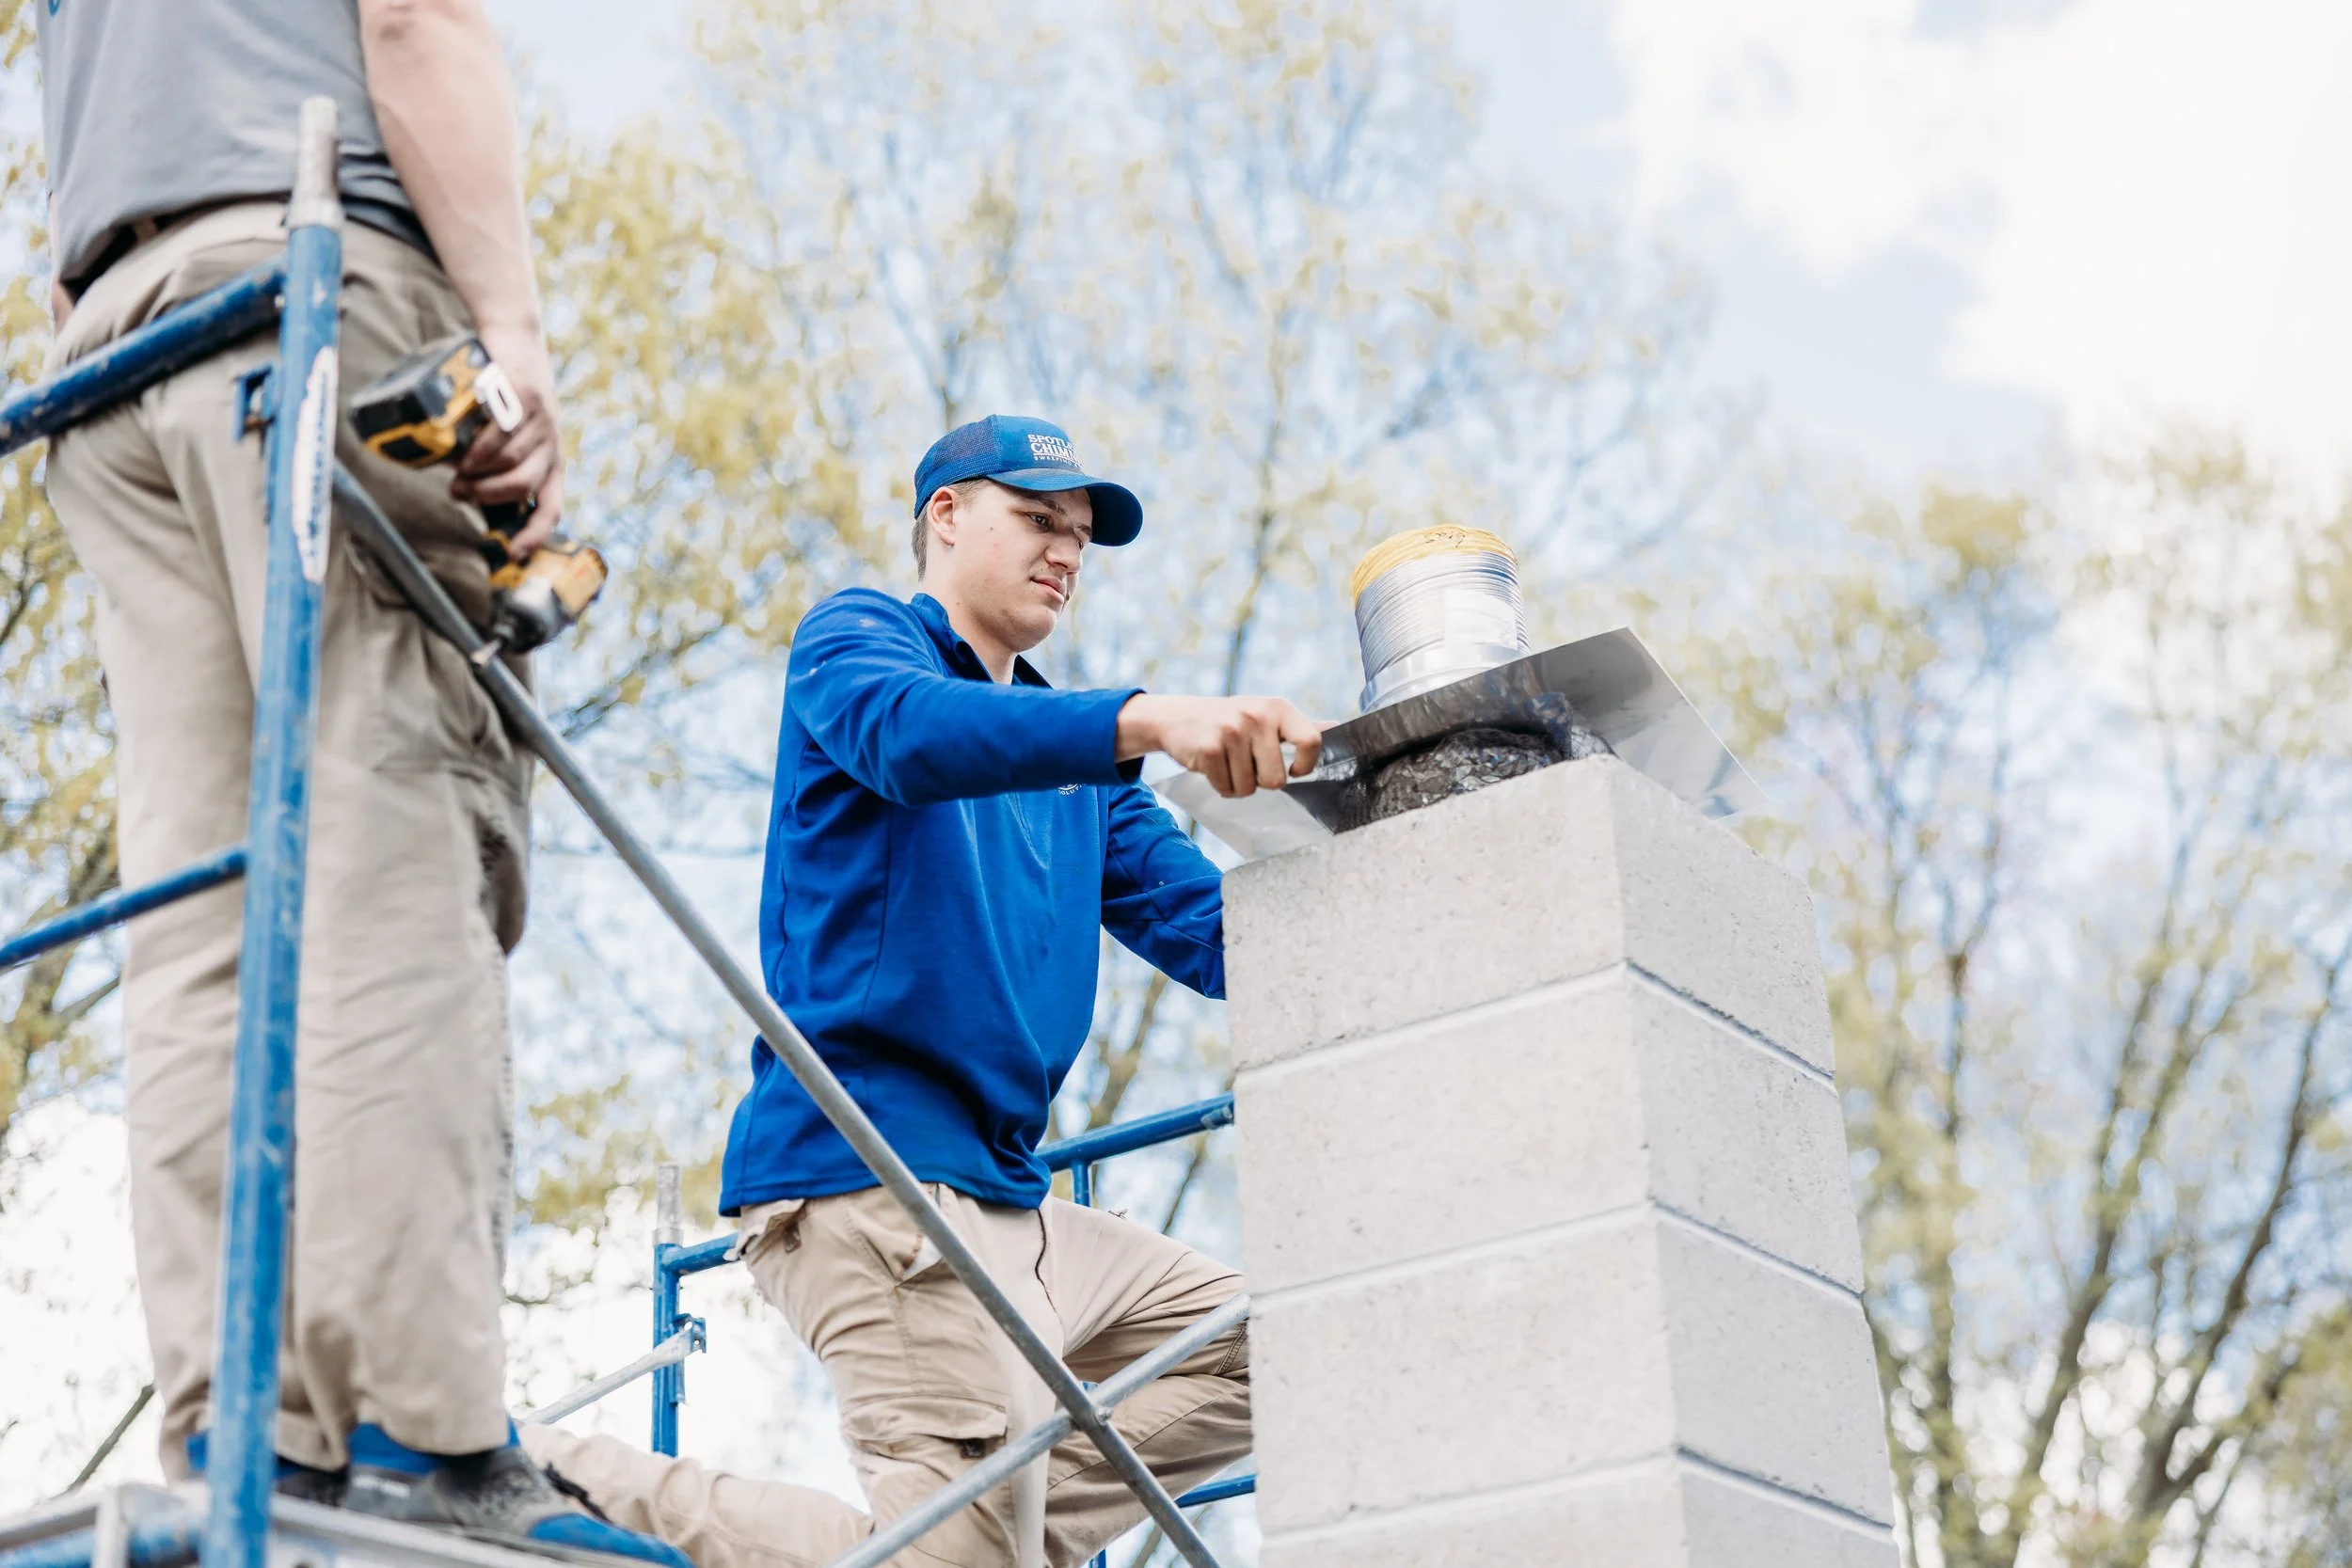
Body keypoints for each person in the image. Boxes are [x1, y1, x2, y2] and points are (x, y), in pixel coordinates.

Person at [34, 2, 681, 1560]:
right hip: (303, 300)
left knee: (204, 905)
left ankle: (242, 1420)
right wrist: (511, 338)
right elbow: (410, 15)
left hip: (108, 347)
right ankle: (414, 1420)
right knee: (392, 838)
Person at [520, 415, 1324, 1568]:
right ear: (944, 516)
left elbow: (1221, 937)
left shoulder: (1083, 780)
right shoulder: (858, 645)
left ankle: (978, 1531)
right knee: (961, 1550)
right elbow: (910, 738)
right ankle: (557, 1472)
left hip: (1016, 1206)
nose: (1065, 552)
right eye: (1038, 519)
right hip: (877, 1181)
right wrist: (1147, 717)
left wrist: (1387, 844)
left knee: (1287, 1336)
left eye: (1080, 537)